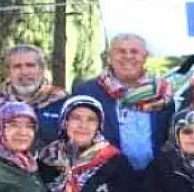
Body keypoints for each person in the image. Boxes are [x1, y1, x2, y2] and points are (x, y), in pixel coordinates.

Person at [71, 33, 175, 174]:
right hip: (106, 175)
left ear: (145, 57)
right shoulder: (88, 92)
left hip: (154, 176)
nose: (128, 56)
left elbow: (168, 137)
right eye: (121, 51)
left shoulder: (161, 92)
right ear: (110, 56)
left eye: (134, 51)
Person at [0, 44, 68, 148]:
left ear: (42, 69)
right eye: (17, 66)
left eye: (30, 65)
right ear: (9, 72)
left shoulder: (62, 102)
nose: (24, 72)